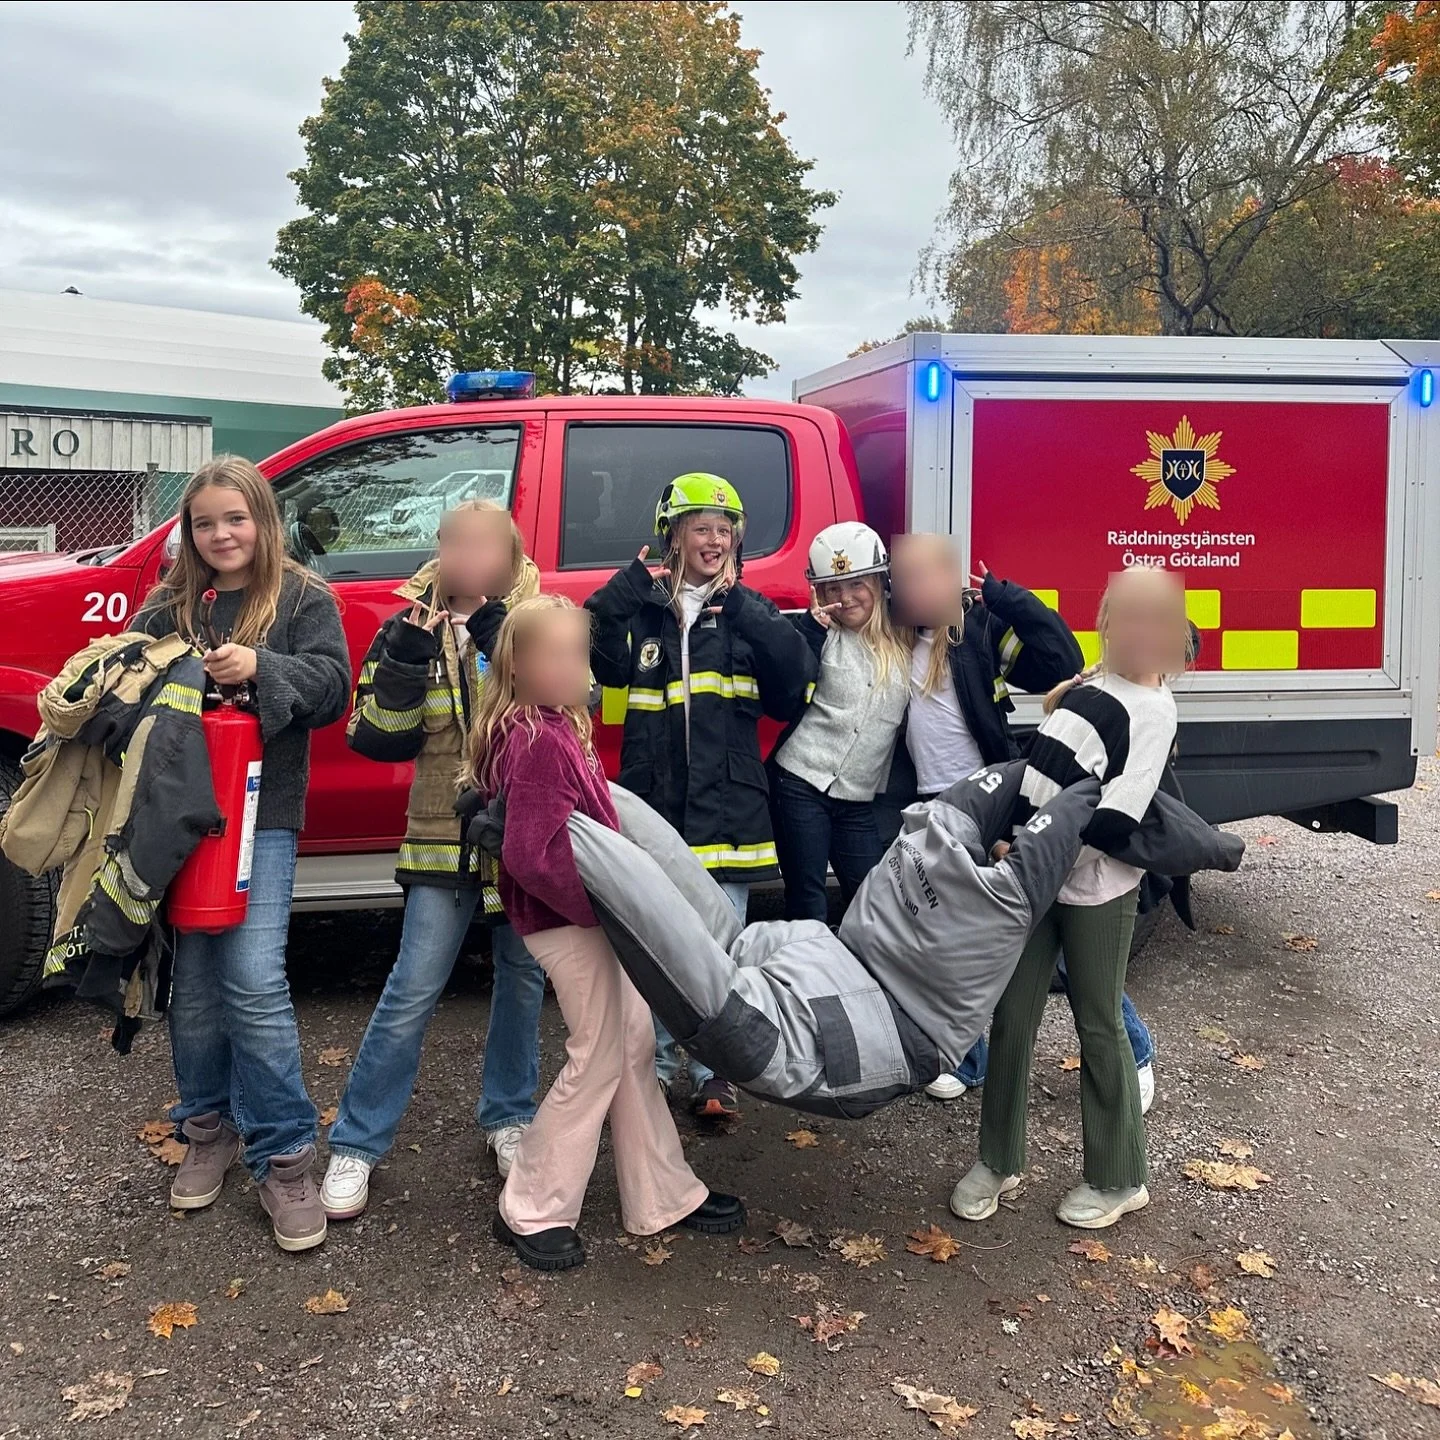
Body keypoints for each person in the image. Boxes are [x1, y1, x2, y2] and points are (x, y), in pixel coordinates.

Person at [469, 594, 745, 1271]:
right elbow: (531, 856)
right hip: (569, 923)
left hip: (585, 919)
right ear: (516, 665)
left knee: (631, 1046)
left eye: (577, 653)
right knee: (597, 1055)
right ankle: (530, 1206)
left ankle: (662, 1194)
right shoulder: (539, 739)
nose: (572, 667)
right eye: (554, 656)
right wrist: (606, 910)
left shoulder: (559, 722)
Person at [136, 455, 350, 1252]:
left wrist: (263, 667)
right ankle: (208, 1126)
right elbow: (128, 687)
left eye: (235, 518)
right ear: (188, 534)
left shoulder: (301, 598)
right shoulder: (167, 607)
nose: (221, 534)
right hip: (180, 826)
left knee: (254, 981)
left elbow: (333, 687)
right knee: (193, 988)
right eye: (205, 523)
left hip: (262, 821)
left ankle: (284, 1155)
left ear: (263, 519)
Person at [320, 501, 546, 1220]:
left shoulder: (541, 619)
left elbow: (571, 707)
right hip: (440, 836)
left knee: (522, 981)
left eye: (485, 545)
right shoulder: (407, 624)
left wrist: (502, 640)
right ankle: (356, 1143)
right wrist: (403, 666)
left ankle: (510, 1118)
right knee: (413, 986)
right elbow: (375, 738)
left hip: (523, 835)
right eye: (457, 543)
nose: (470, 556)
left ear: (511, 556)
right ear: (440, 551)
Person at [951, 566, 1189, 1231]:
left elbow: (1114, 821)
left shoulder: (1153, 712)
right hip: (1035, 879)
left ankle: (1119, 1177)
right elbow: (1047, 769)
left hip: (1092, 892)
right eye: (1123, 614)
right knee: (1011, 1015)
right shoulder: (1095, 682)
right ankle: (998, 1159)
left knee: (1098, 1023)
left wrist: (1031, 855)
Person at [885, 534, 1156, 1111]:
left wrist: (1009, 598)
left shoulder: (981, 630)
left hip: (994, 801)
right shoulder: (894, 637)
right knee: (948, 937)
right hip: (937, 809)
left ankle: (1134, 1053)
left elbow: (1061, 659)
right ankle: (968, 1060)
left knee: (1046, 936)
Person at [586, 473, 816, 1118]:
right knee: (660, 945)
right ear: (673, 536)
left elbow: (793, 684)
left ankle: (715, 1074)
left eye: (724, 531)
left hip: (729, 812)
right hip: (660, 808)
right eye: (700, 529)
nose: (714, 541)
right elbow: (597, 664)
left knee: (720, 952)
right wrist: (621, 593)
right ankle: (658, 1068)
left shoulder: (748, 610)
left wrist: (747, 611)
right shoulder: (644, 612)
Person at [771, 522, 910, 920]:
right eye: (831, 588)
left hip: (856, 801)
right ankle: (807, 961)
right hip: (800, 784)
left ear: (880, 582)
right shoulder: (819, 634)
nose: (845, 598)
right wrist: (809, 631)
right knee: (808, 902)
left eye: (856, 584)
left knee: (874, 905)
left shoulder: (906, 640)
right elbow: (784, 679)